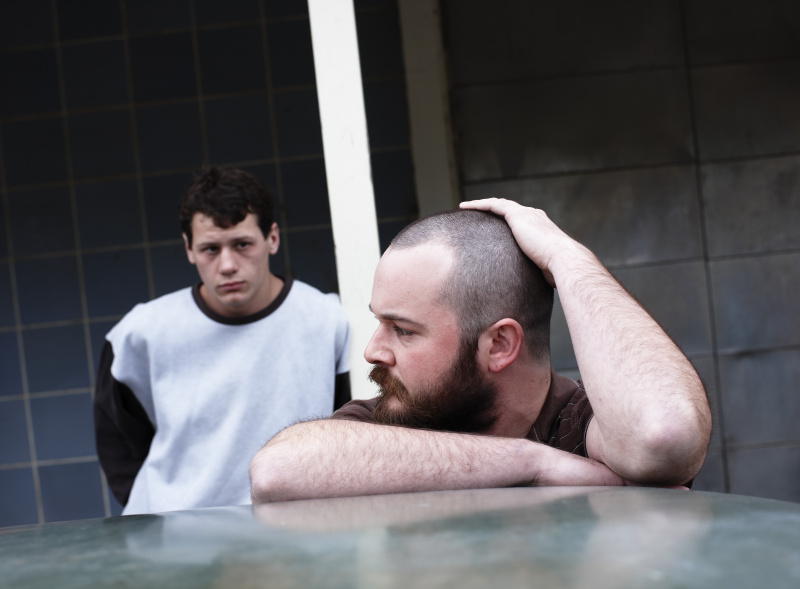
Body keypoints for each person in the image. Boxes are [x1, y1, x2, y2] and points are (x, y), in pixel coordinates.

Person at [249, 198, 712, 502]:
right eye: (379, 322)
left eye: (403, 330)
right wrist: (531, 463)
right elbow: (277, 470)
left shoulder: (579, 425)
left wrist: (567, 258)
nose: (373, 351)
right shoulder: (398, 417)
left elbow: (664, 435)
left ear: (500, 345)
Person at [94, 167, 351, 515]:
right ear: (189, 249)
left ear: (272, 238)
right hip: (177, 535)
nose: (227, 265)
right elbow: (119, 444)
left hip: (293, 529)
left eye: (242, 245)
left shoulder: (327, 320)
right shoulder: (141, 333)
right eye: (210, 249)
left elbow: (350, 429)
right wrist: (159, 520)